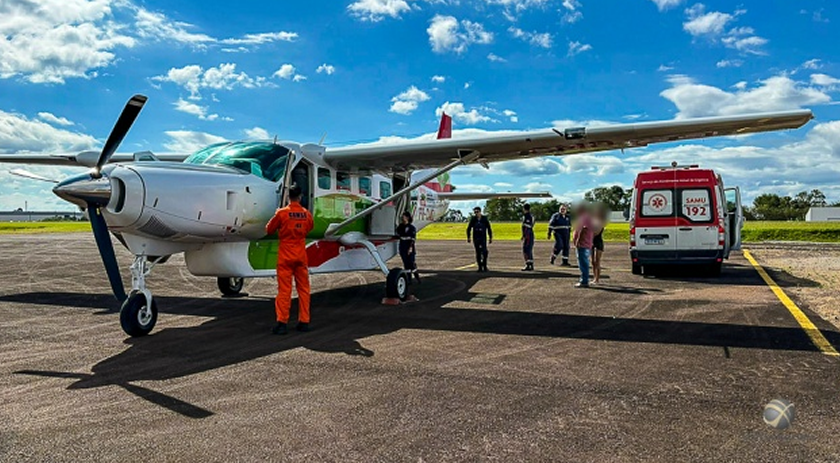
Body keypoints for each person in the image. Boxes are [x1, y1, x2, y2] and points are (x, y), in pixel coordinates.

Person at [265, 183, 314, 335]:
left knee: (284, 291)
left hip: (285, 255)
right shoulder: (307, 214)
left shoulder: (282, 213)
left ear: (288, 197)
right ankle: (304, 321)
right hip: (301, 254)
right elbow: (309, 228)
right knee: (304, 289)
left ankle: (282, 323)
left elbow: (269, 229)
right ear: (300, 197)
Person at [572, 203, 594, 288]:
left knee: (583, 263)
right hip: (585, 244)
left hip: (583, 244)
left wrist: (578, 240)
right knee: (583, 262)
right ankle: (584, 279)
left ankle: (584, 281)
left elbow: (584, 229)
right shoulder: (586, 217)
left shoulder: (585, 217)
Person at [396, 211, 421, 283]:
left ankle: (417, 277)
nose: (402, 218)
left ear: (407, 218)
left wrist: (410, 248)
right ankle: (409, 279)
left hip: (409, 246)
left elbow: (412, 239)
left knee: (411, 263)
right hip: (402, 246)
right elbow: (398, 234)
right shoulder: (400, 227)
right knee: (406, 263)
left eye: (404, 216)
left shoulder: (411, 228)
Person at [466, 206, 493, 272]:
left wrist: (490, 237)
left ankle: (485, 265)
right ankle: (480, 267)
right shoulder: (473, 219)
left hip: (483, 237)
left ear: (480, 212)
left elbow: (489, 228)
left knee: (484, 251)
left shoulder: (484, 219)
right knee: (478, 252)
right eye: (475, 212)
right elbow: (469, 228)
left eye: (477, 212)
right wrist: (468, 237)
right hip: (476, 237)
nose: (476, 213)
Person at [591, 204, 608, 285]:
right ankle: (594, 277)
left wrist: (587, 234)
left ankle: (597, 279)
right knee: (592, 262)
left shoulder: (601, 221)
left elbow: (597, 232)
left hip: (598, 242)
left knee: (597, 261)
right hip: (591, 242)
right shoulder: (592, 220)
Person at [520, 203, 535, 271]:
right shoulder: (531, 216)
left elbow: (526, 227)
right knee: (529, 249)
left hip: (528, 235)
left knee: (526, 249)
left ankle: (528, 264)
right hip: (530, 234)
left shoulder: (526, 216)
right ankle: (530, 264)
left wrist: (524, 235)